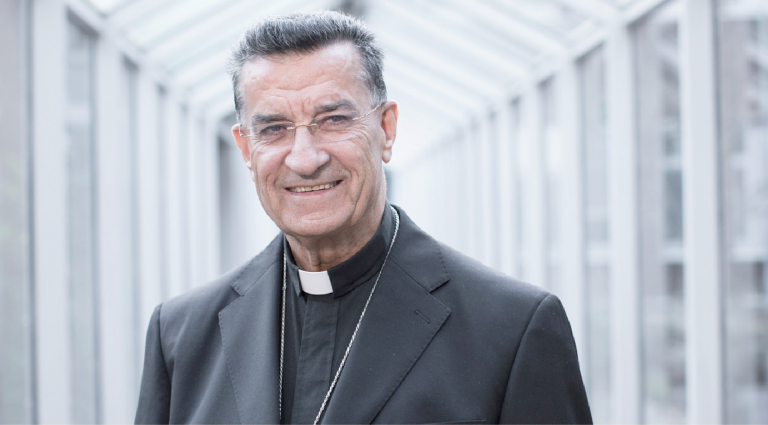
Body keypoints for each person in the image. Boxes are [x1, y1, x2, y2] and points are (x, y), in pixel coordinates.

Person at [135, 11, 592, 425]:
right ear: (245, 149)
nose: (305, 159)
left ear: (386, 129)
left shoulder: (512, 329)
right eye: (273, 129)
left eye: (333, 120)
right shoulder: (180, 335)